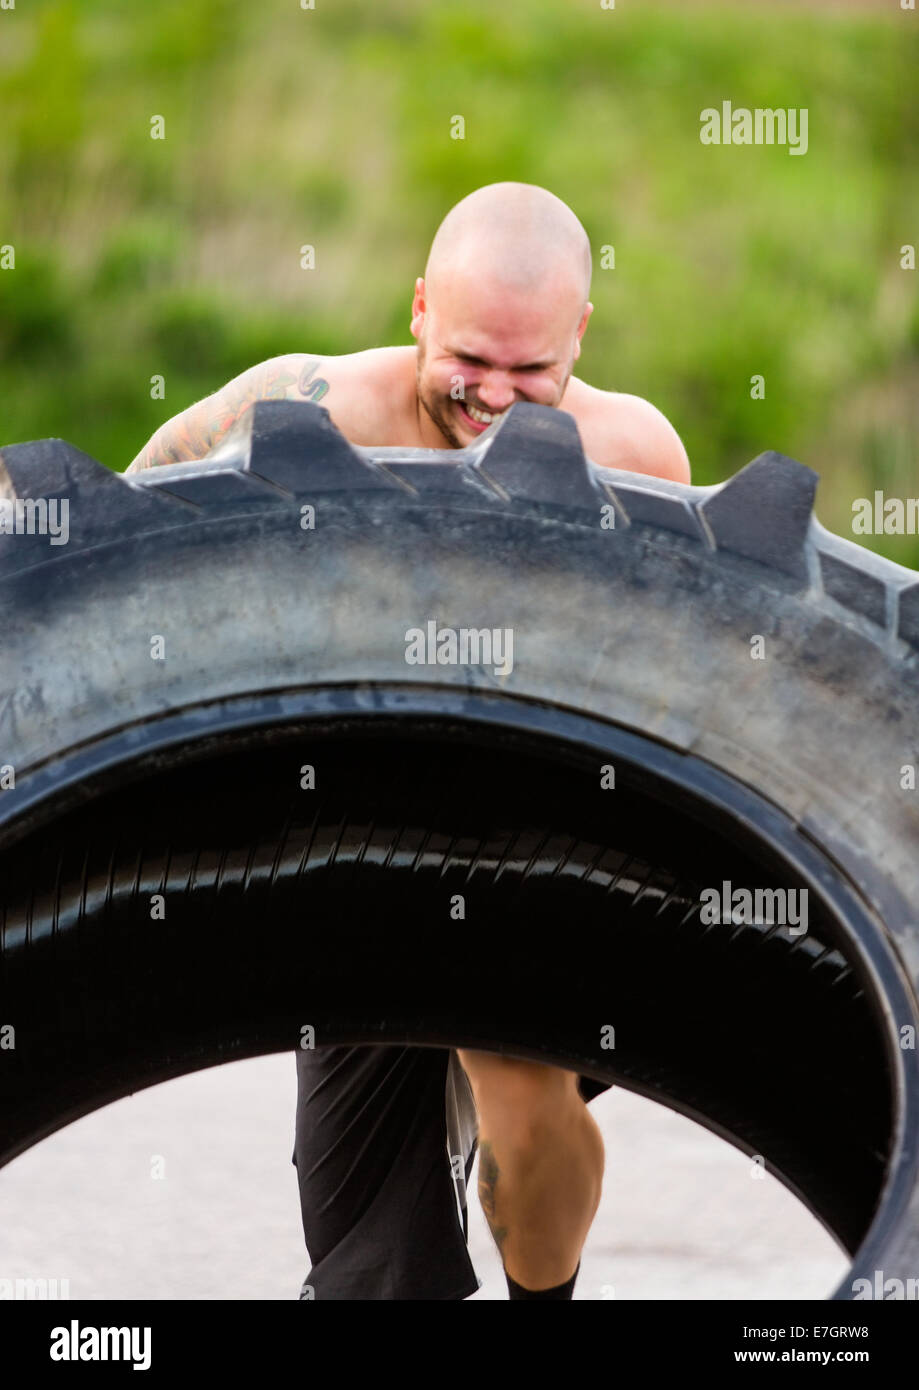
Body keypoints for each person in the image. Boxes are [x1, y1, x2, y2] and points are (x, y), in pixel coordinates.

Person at [126, 182, 691, 1300]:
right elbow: (108, 524)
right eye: (470, 359)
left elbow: (689, 682)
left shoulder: (631, 457)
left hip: (535, 845)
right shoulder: (306, 411)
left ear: (580, 334)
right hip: (355, 850)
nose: (495, 397)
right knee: (373, 1275)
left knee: (524, 1098)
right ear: (421, 306)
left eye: (532, 372)